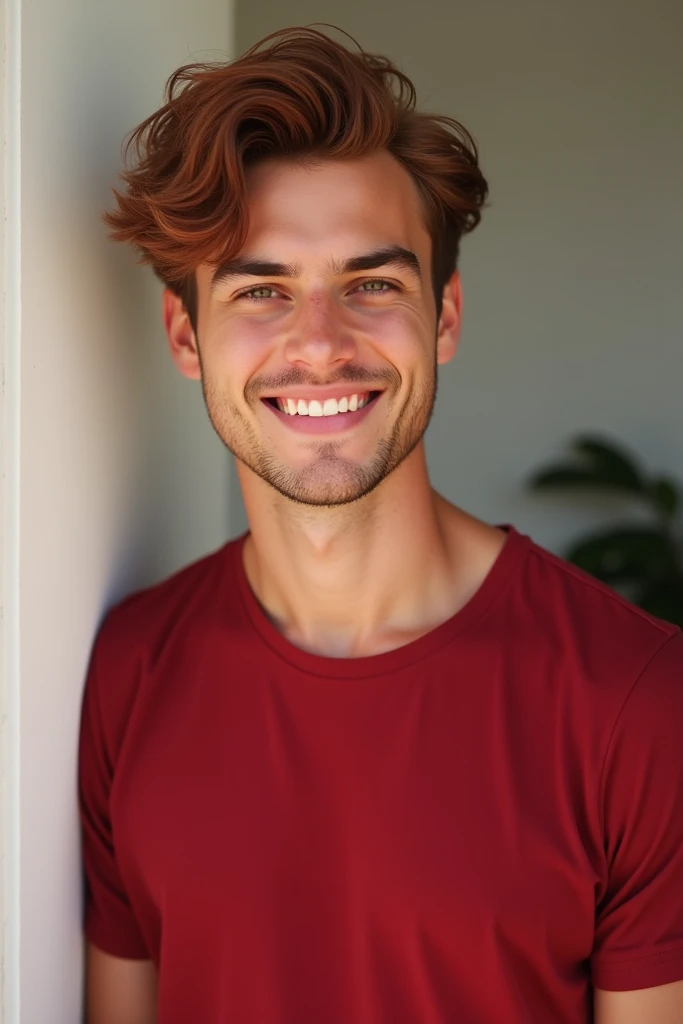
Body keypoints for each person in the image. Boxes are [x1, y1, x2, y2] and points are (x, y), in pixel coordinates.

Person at [78, 24, 683, 1024]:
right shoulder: (129, 673)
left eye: (371, 284)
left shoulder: (632, 699)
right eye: (261, 291)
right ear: (187, 336)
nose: (319, 345)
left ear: (443, 316)